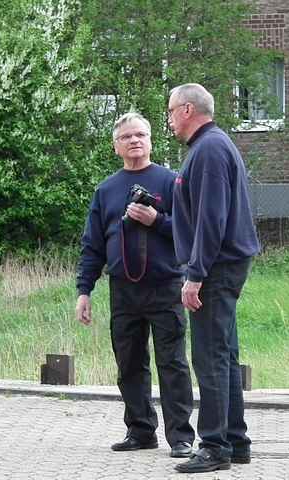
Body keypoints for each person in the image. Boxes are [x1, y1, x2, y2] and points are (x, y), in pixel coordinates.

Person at [75, 112, 195, 459]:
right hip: (123, 289)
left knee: (172, 362)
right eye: (127, 137)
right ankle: (140, 430)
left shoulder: (172, 182)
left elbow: (189, 234)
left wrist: (157, 220)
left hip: (165, 285)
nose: (135, 141)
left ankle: (181, 437)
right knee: (129, 362)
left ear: (152, 140)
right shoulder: (106, 190)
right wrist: (84, 291)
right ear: (116, 147)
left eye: (141, 134)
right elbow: (92, 245)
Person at [167, 83, 260, 473]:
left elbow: (211, 217)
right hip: (222, 266)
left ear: (187, 110)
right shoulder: (212, 146)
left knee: (209, 357)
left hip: (215, 268)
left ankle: (215, 445)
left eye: (171, 111)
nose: (169, 119)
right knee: (224, 354)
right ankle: (236, 442)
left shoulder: (208, 150)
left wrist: (196, 274)